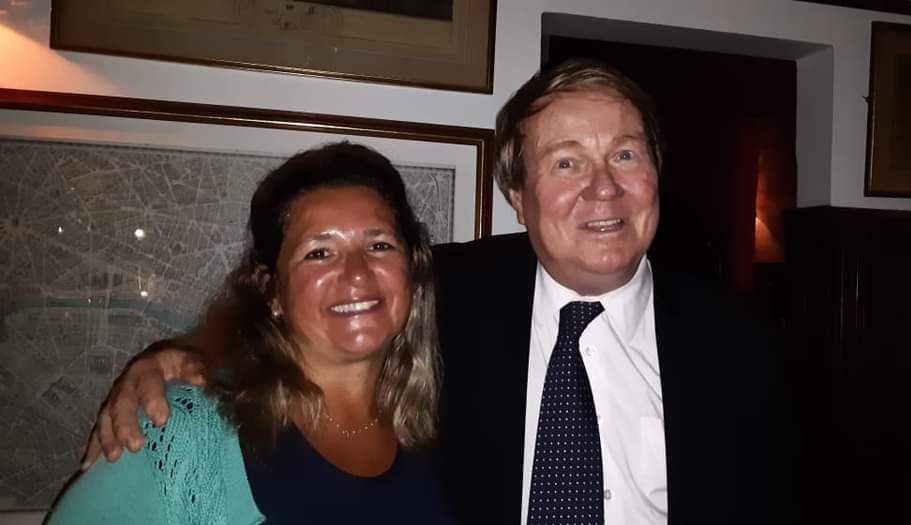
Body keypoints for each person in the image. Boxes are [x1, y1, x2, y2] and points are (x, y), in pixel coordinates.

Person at [82, 60, 792, 524]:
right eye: (566, 162)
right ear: (517, 195)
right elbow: (316, 316)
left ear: (656, 172)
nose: (602, 188)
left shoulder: (743, 341)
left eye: (626, 154)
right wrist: (171, 359)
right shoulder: (440, 296)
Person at [49, 143, 454, 523]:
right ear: (271, 290)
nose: (357, 273)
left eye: (379, 245)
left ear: (412, 270)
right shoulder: (179, 433)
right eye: (319, 253)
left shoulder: (438, 411)